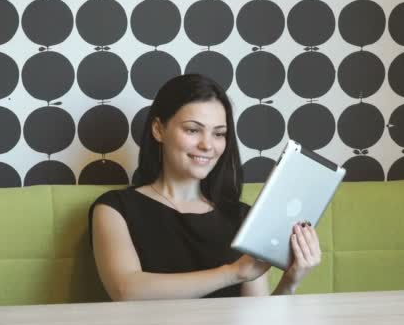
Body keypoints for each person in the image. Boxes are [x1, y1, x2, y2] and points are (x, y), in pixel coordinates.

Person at [89, 74, 322, 301]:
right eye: (192, 130)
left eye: (219, 133)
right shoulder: (114, 208)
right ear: (159, 129)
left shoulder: (242, 217)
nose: (207, 145)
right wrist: (233, 273)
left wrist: (290, 282)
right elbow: (126, 290)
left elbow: (258, 321)